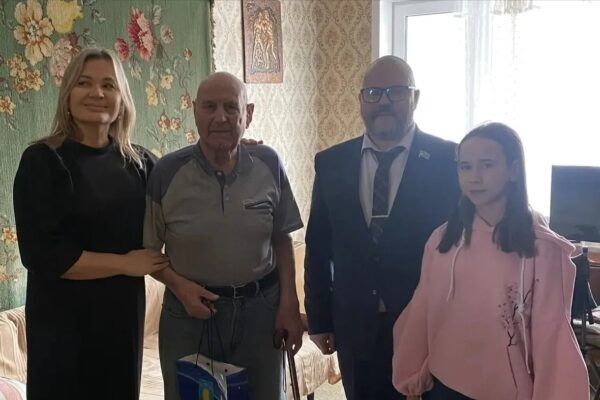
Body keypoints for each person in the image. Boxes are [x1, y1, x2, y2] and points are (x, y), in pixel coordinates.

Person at [13, 48, 169, 400]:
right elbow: (44, 256)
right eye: (84, 83)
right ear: (68, 96)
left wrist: (236, 151)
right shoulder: (43, 161)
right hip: (60, 330)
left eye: (108, 85)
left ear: (122, 100)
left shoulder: (141, 163)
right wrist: (126, 264)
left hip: (122, 325)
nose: (97, 93)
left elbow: (189, 191)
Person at [392, 122, 589, 399]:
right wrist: (412, 372)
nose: (474, 177)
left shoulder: (541, 247)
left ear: (513, 170)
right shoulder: (443, 239)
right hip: (444, 383)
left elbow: (552, 334)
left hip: (507, 391)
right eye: (465, 167)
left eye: (487, 165)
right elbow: (423, 307)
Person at [304, 55, 460, 400]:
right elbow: (318, 247)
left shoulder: (448, 160)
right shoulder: (331, 163)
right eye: (373, 93)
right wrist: (319, 319)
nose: (384, 101)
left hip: (428, 326)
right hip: (355, 326)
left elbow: (464, 247)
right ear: (361, 100)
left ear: (415, 97)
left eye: (396, 91)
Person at [144, 71, 304, 400]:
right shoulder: (166, 173)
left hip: (261, 313)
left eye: (231, 107)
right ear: (195, 110)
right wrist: (179, 286)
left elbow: (282, 238)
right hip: (189, 316)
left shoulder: (268, 162)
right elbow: (149, 254)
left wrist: (289, 304)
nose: (220, 117)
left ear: (248, 113)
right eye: (210, 106)